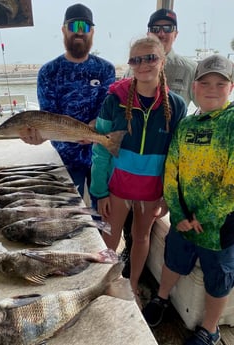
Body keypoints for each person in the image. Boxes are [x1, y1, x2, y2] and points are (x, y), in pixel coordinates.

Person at [143, 54, 234, 345]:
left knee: (217, 278)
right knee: (173, 260)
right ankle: (161, 298)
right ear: (194, 87)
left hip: (220, 225)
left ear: (231, 88)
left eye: (221, 83)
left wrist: (200, 218)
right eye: (205, 82)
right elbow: (172, 170)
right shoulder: (184, 126)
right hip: (183, 220)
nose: (212, 88)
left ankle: (210, 329)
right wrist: (179, 213)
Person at [90, 35, 187, 306]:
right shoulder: (114, 99)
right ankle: (103, 284)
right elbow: (100, 147)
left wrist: (169, 196)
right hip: (117, 187)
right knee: (109, 237)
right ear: (130, 64)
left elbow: (176, 158)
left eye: (150, 58)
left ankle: (131, 285)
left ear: (162, 61)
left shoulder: (177, 105)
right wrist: (99, 191)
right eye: (136, 59)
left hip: (151, 191)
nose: (143, 64)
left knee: (141, 237)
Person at [121, 8, 197, 278]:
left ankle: (136, 274)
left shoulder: (190, 68)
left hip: (164, 161)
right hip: (131, 163)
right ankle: (127, 262)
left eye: (168, 28)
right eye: (156, 28)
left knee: (145, 226)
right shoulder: (139, 65)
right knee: (128, 224)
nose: (162, 32)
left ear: (176, 33)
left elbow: (203, 110)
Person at [19, 3, 115, 203]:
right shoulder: (48, 72)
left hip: (101, 158)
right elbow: (47, 117)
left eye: (86, 27)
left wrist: (93, 128)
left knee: (103, 217)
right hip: (64, 162)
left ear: (93, 33)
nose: (80, 32)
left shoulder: (105, 69)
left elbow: (106, 110)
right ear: (63, 30)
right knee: (70, 219)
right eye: (74, 26)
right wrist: (39, 136)